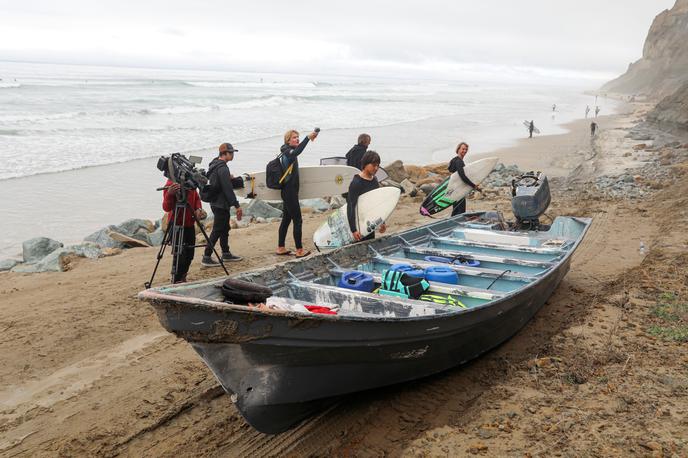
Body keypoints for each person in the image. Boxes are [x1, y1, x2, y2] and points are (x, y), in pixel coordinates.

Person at [276, 128, 319, 258]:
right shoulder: (288, 152)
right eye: (294, 137)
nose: (297, 139)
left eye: (298, 137)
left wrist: (309, 138)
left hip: (289, 191)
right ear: (288, 140)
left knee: (286, 219)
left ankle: (281, 247)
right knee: (298, 220)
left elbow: (297, 151)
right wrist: (307, 138)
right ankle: (299, 250)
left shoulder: (287, 151)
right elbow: (297, 152)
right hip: (289, 192)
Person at [201, 143, 243, 267]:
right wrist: (237, 205)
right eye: (231, 153)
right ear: (224, 154)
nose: (233, 155)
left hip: (215, 202)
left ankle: (226, 253)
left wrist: (227, 178)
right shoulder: (223, 168)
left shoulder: (214, 164)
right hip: (220, 204)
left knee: (225, 228)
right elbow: (227, 189)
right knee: (218, 230)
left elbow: (218, 182)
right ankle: (206, 256)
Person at [162, 181, 204, 283]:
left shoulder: (190, 181)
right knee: (179, 255)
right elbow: (166, 208)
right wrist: (169, 194)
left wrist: (198, 208)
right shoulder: (171, 183)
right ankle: (176, 279)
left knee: (190, 254)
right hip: (177, 224)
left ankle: (183, 276)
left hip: (190, 224)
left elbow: (197, 197)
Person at [347, 150, 387, 242]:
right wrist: (353, 230)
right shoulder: (356, 182)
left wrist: (382, 222)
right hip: (358, 224)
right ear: (365, 164)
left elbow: (377, 203)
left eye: (378, 165)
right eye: (373, 165)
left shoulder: (374, 180)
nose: (376, 168)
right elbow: (351, 206)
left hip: (369, 224)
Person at [448, 142, 481, 216]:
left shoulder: (454, 160)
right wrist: (473, 185)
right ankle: (456, 225)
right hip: (459, 190)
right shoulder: (459, 162)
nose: (465, 151)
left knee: (456, 209)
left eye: (466, 149)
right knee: (460, 211)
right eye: (463, 149)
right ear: (458, 149)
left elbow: (451, 170)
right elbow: (462, 176)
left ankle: (453, 224)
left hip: (454, 188)